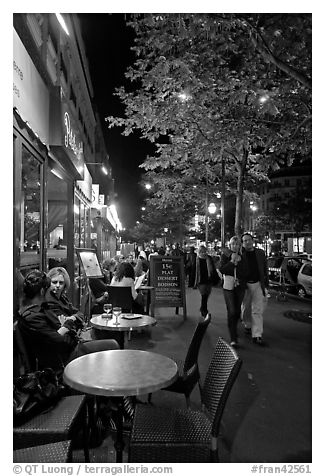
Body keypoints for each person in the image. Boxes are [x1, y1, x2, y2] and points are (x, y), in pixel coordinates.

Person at [18, 270, 119, 371]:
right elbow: (59, 340)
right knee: (112, 345)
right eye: (50, 286)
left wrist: (64, 327)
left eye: (61, 283)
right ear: (42, 291)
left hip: (71, 347)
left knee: (111, 342)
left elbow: (68, 323)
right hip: (65, 357)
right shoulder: (33, 316)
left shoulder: (41, 308)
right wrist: (67, 325)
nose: (54, 289)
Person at [240, 232, 269, 345]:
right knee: (246, 308)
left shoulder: (260, 253)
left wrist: (266, 284)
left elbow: (265, 268)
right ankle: (247, 324)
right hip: (246, 285)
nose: (247, 242)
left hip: (258, 284)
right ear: (242, 243)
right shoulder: (240, 254)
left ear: (253, 241)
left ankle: (257, 335)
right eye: (245, 241)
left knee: (257, 310)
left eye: (249, 240)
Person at [220, 236, 247, 347]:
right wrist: (232, 262)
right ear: (230, 245)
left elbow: (246, 271)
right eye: (233, 244)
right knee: (231, 311)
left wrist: (239, 263)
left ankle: (234, 329)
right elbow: (222, 270)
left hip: (239, 286)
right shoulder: (225, 256)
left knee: (236, 311)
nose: (235, 246)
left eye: (237, 244)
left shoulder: (243, 257)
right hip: (228, 287)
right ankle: (233, 337)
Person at [194, 245, 218, 317]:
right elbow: (193, 270)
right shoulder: (197, 259)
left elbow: (213, 269)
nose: (203, 253)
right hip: (200, 280)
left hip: (209, 279)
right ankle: (204, 310)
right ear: (199, 252)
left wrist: (215, 278)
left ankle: (202, 308)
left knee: (207, 295)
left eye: (204, 251)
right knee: (203, 295)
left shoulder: (209, 258)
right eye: (201, 251)